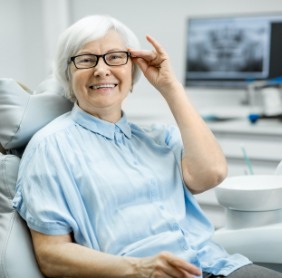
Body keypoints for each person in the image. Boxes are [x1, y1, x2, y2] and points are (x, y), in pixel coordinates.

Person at [13, 15, 282, 278]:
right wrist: (138, 268)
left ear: (133, 69)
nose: (102, 69)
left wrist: (170, 87)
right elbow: (51, 255)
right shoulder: (50, 147)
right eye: (86, 60)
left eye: (115, 57)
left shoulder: (158, 137)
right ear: (67, 73)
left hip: (219, 264)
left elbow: (211, 174)